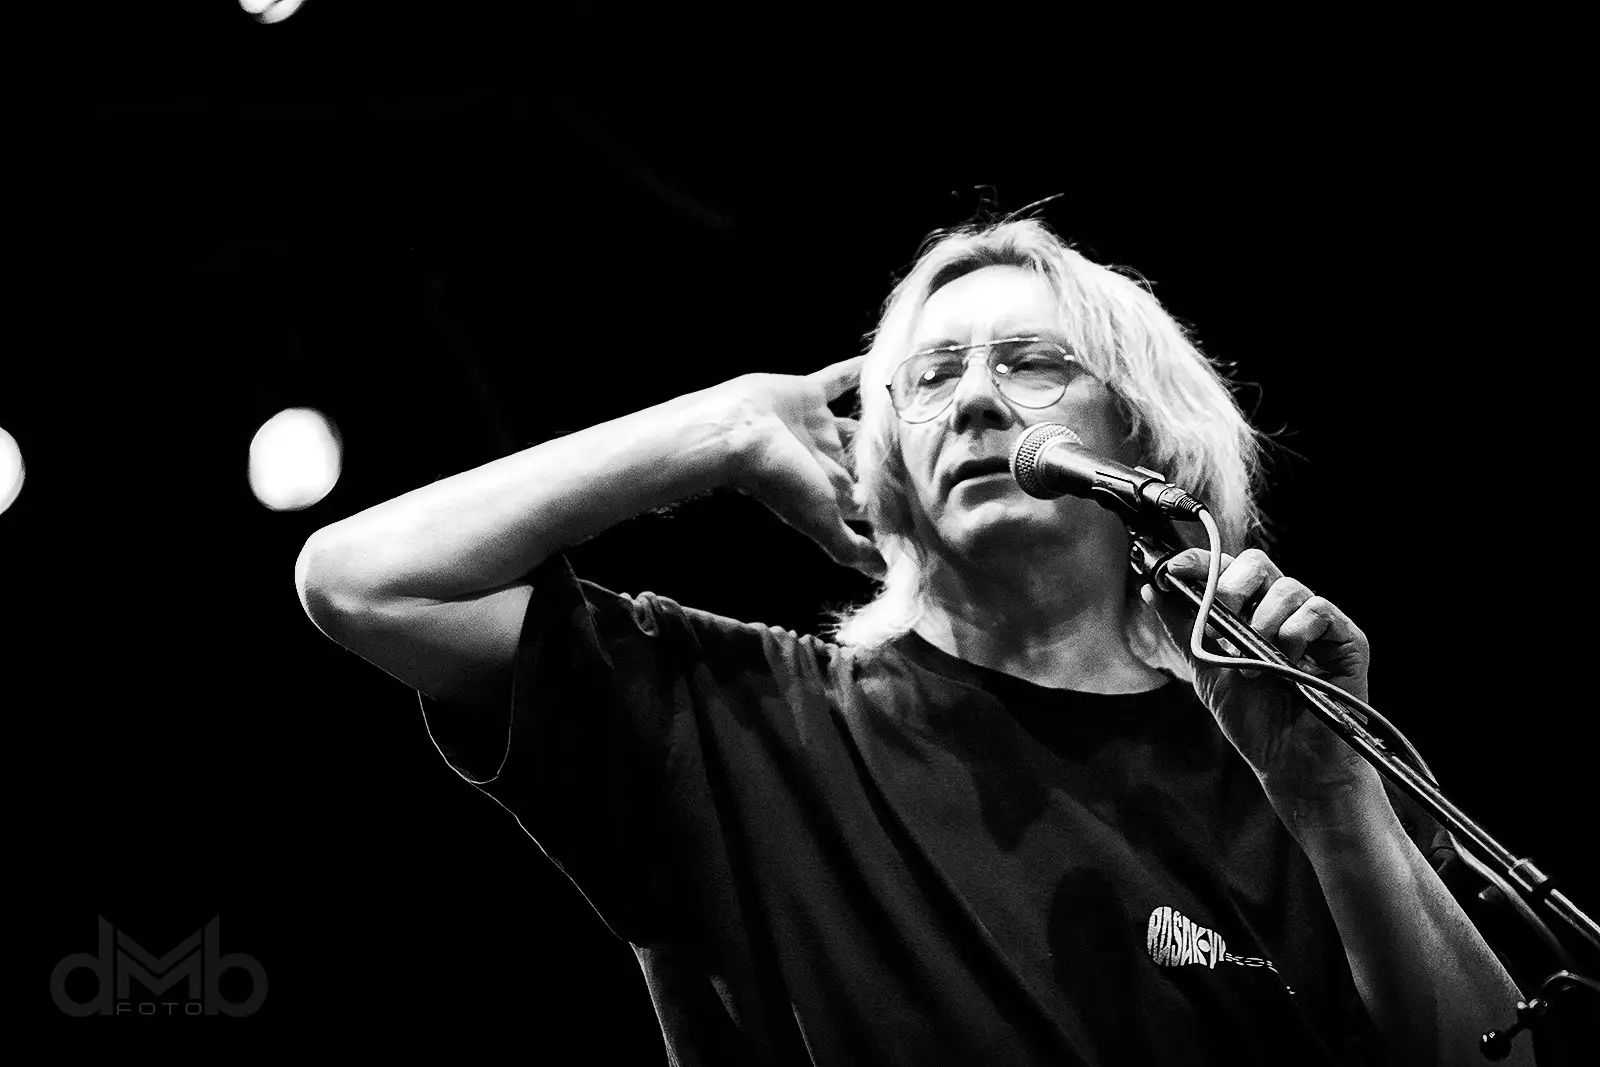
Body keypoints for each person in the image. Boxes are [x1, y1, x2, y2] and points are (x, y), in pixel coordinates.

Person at [295, 219, 1531, 1066]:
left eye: (1033, 363)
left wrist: (1334, 803)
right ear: (882, 459)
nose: (978, 397)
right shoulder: (746, 714)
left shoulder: (1284, 746)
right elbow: (363, 580)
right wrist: (724, 424)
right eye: (931, 377)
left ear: (1147, 437)